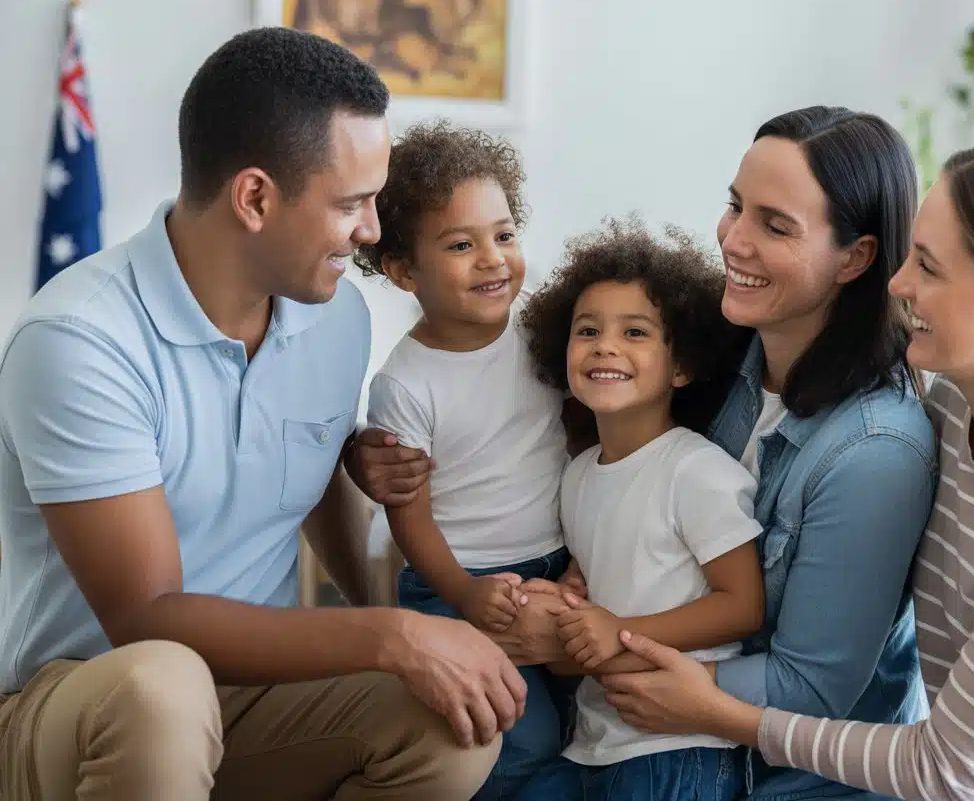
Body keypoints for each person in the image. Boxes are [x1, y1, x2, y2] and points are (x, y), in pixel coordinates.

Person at [599, 135, 974, 799]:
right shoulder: (955, 409)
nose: (897, 284)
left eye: (927, 266)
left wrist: (717, 711)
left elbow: (945, 772)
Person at [356, 105, 939, 800]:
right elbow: (588, 473)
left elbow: (811, 686)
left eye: (774, 225)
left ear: (856, 256)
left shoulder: (874, 452)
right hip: (621, 734)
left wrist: (591, 647)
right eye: (735, 207)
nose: (735, 241)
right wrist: (373, 457)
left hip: (784, 778)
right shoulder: (724, 362)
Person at [0, 27, 522, 801]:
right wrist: (393, 633)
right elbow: (149, 618)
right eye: (352, 203)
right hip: (81, 703)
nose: (373, 231)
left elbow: (307, 485)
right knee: (162, 688)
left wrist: (384, 610)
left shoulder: (336, 317)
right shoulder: (79, 341)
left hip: (249, 698)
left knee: (449, 718)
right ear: (254, 198)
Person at [353, 119, 577, 800]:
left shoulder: (544, 332)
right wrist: (464, 594)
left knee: (578, 725)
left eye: (504, 235)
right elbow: (408, 517)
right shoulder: (405, 383)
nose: (493, 258)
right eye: (460, 244)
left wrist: (581, 562)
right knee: (516, 733)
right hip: (458, 584)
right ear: (402, 270)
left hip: (556, 569)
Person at [510, 218, 765, 799]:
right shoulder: (576, 477)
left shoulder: (696, 472)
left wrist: (617, 631)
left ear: (681, 366)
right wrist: (566, 624)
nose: (606, 345)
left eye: (636, 333)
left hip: (678, 748)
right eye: (588, 330)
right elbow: (598, 612)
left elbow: (743, 606)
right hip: (593, 744)